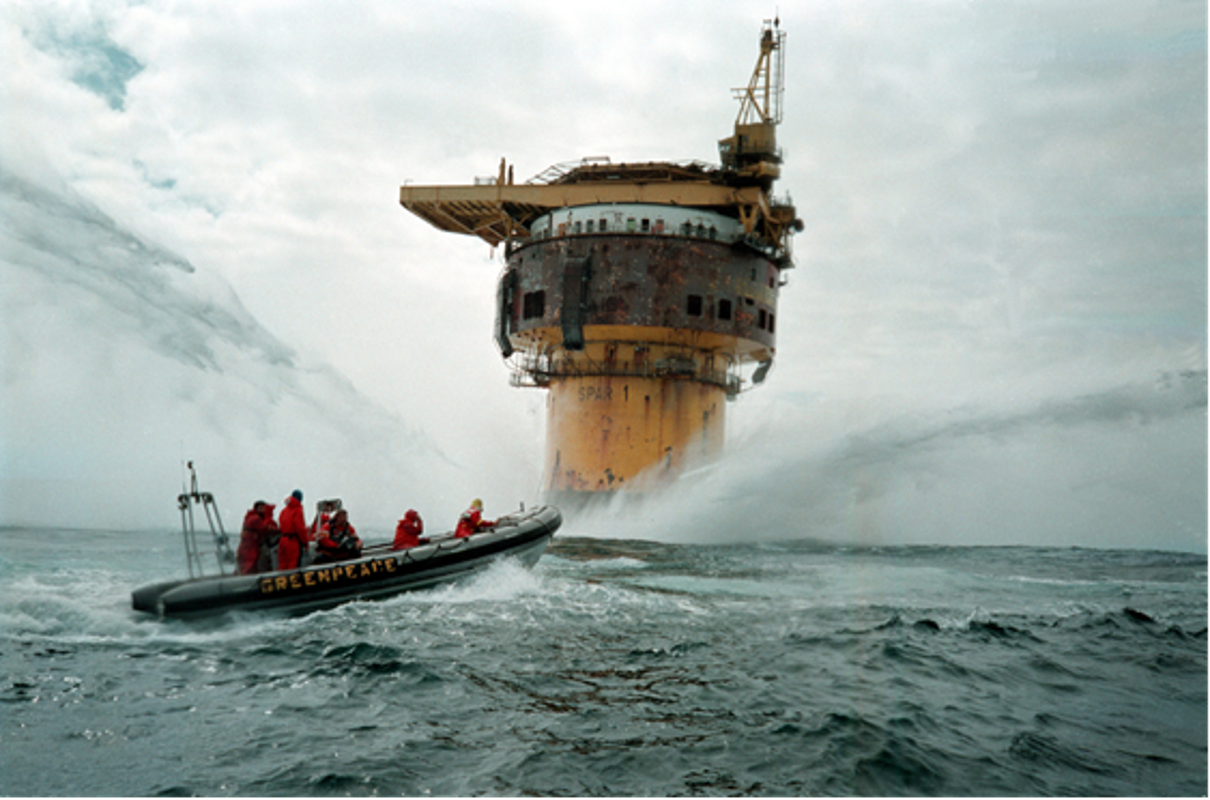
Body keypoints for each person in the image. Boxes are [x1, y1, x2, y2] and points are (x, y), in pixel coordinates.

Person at [237, 500, 277, 575]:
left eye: (264, 508)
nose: (263, 510)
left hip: (249, 547)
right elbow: (265, 529)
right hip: (249, 548)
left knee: (247, 566)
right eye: (261, 508)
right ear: (256, 508)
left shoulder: (251, 517)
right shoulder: (255, 519)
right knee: (249, 566)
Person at [277, 489, 310, 571]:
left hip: (283, 540)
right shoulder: (298, 510)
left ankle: (281, 582)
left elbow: (281, 524)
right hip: (292, 541)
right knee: (293, 565)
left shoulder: (284, 510)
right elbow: (300, 528)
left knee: (282, 564)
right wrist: (305, 543)